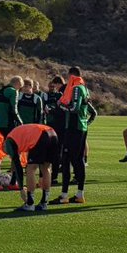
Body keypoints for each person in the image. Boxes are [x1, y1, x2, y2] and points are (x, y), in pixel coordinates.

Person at [52, 67, 90, 205]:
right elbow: (91, 111)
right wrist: (86, 123)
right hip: (80, 128)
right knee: (78, 160)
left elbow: (74, 109)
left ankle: (64, 195)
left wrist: (60, 105)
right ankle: (79, 194)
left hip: (73, 129)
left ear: (71, 76)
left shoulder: (76, 88)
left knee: (67, 160)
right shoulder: (84, 88)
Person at [4, 124, 59, 212]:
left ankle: (30, 203)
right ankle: (44, 203)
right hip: (52, 133)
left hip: (40, 135)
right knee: (46, 168)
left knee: (30, 168)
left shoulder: (9, 142)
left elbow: (18, 167)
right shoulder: (15, 135)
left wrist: (21, 189)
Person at [0, 76, 24, 190]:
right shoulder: (13, 91)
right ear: (18, 84)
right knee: (15, 153)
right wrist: (21, 123)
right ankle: (13, 182)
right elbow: (14, 110)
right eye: (20, 87)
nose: (20, 89)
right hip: (10, 126)